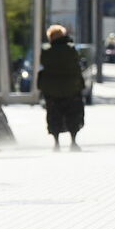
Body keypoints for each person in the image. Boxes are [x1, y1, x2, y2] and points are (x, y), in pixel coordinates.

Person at [38, 24, 86, 152]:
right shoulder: (71, 49)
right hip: (72, 88)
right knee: (73, 114)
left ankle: (56, 143)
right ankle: (73, 142)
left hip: (52, 89)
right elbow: (77, 62)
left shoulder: (47, 51)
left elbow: (43, 63)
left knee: (54, 115)